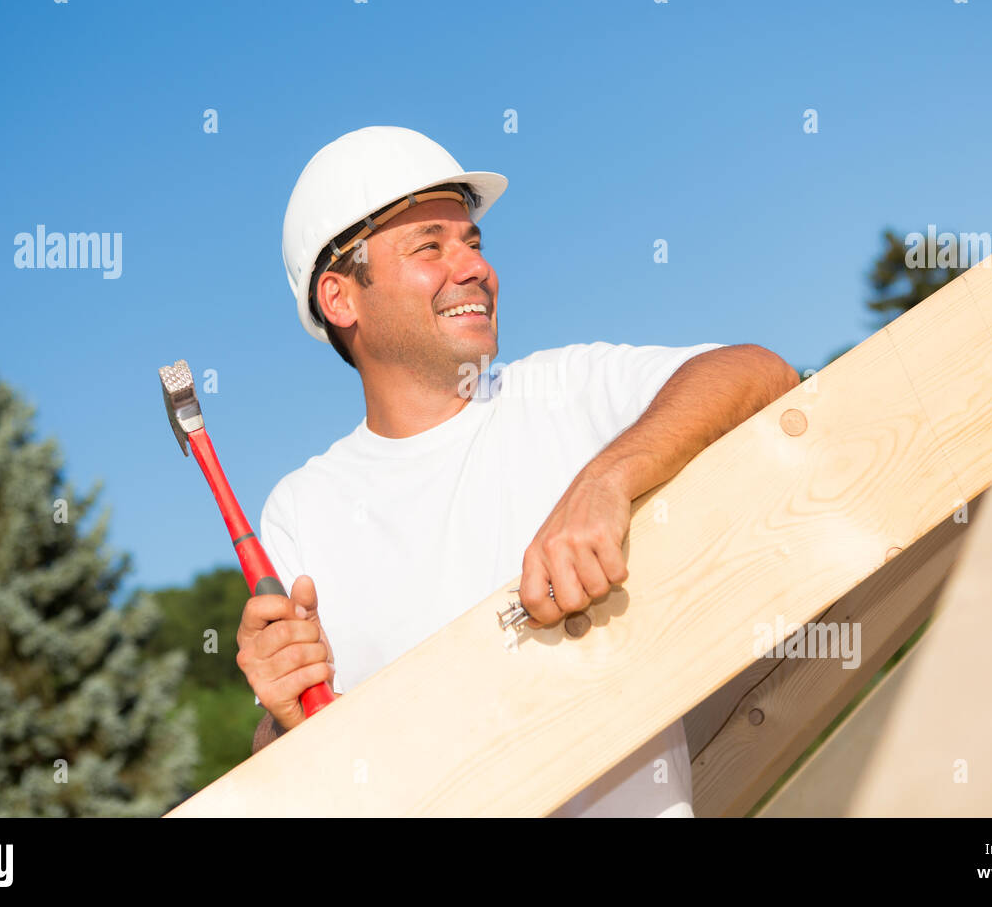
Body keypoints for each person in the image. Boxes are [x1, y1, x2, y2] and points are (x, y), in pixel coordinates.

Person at [235, 125, 799, 816]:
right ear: (340, 298)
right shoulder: (302, 510)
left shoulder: (563, 392)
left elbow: (759, 372)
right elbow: (303, 769)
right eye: (430, 247)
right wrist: (279, 720)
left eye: (472, 242)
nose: (473, 267)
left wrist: (607, 480)